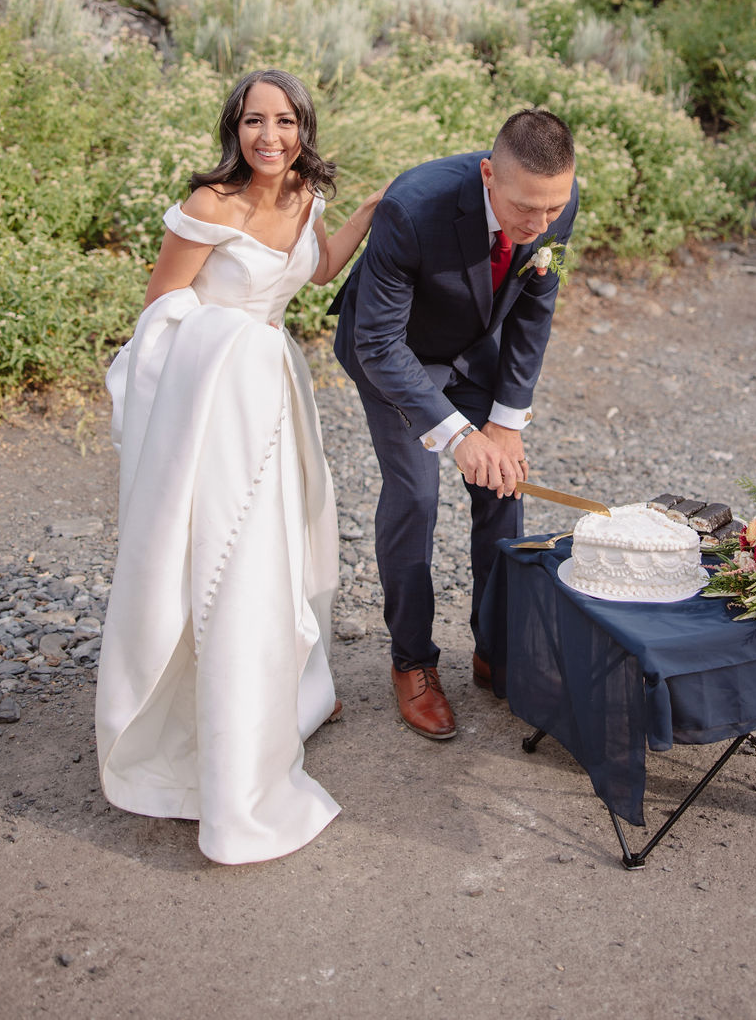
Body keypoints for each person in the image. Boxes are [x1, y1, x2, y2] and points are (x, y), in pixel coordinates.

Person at [95, 68, 383, 864]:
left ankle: (257, 698)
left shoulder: (304, 198)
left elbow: (317, 271)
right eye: (254, 122)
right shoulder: (208, 205)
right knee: (220, 557)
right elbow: (161, 310)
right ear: (236, 128)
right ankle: (191, 726)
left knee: (276, 554)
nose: (269, 137)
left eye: (284, 122)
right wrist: (230, 344)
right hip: (214, 401)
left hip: (274, 399)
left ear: (302, 129)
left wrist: (371, 211)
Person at [331, 108, 578, 740]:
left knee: (504, 485)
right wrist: (458, 435)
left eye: (552, 210)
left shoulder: (552, 201)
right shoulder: (412, 209)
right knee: (415, 496)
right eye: (526, 209)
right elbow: (378, 343)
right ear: (489, 174)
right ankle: (412, 661)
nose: (539, 225)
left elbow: (531, 316)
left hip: (474, 351)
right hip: (393, 354)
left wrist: (505, 423)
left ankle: (495, 649)